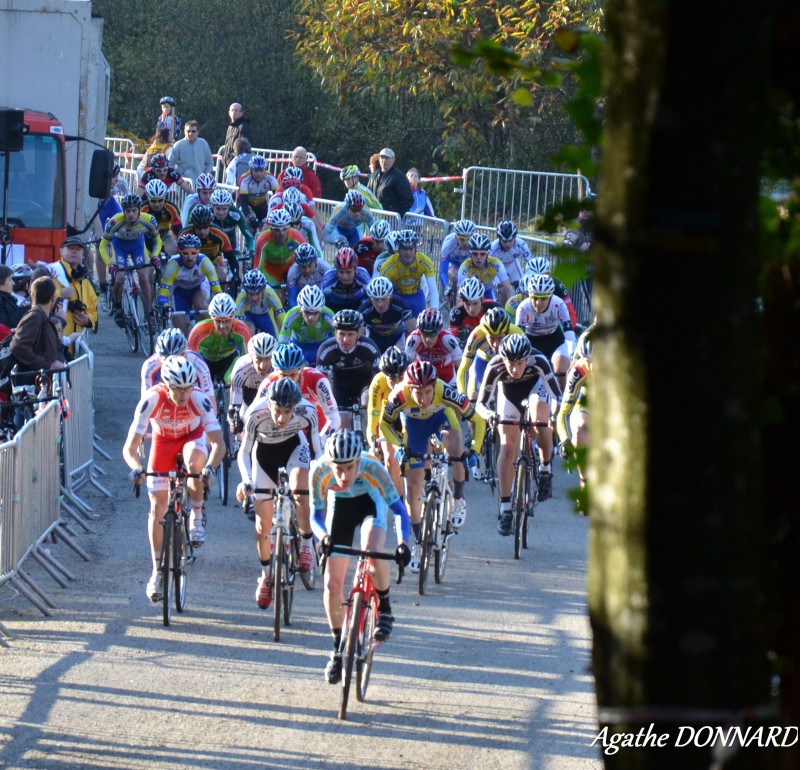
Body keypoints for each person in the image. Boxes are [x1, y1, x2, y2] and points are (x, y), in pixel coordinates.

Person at [311, 429, 412, 683]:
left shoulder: (374, 468)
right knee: (332, 584)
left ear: (359, 461)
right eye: (338, 469)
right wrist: (323, 538)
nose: (344, 476)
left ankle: (385, 610)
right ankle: (337, 650)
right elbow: (315, 516)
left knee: (372, 551)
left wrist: (402, 543)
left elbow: (400, 511)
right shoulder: (320, 471)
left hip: (370, 503)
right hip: (340, 509)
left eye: (350, 467)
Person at [124, 355, 225, 600]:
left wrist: (210, 468)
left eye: (187, 388)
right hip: (163, 441)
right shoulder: (152, 399)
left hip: (192, 438)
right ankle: (157, 572)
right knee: (158, 508)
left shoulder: (199, 400)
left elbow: (219, 444)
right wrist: (137, 466)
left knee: (193, 465)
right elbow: (129, 447)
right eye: (177, 389)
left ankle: (197, 516)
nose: (183, 395)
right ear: (166, 386)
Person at [380, 360, 485, 567]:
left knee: (456, 450)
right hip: (414, 427)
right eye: (418, 393)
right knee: (412, 486)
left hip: (441, 419)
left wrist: (474, 450)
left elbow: (478, 420)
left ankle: (458, 499)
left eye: (428, 392)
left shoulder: (444, 391)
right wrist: (399, 446)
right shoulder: (399, 395)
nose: (424, 398)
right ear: (409, 388)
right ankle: (419, 542)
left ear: (434, 386)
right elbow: (384, 424)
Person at [236, 376, 322, 608]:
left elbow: (317, 449)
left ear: (295, 407)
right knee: (263, 525)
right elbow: (243, 452)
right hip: (264, 456)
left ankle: (306, 545)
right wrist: (246, 481)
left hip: (295, 448)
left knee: (299, 490)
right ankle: (265, 577)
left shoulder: (307, 411)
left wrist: (318, 478)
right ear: (269, 403)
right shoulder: (255, 413)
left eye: (287, 412)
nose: (281, 418)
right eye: (277, 411)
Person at [475, 334, 562, 525]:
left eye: (520, 363)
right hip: (508, 394)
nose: (515, 369)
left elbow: (557, 395)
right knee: (507, 447)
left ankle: (545, 468)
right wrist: (490, 415)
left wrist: (554, 415)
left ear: (527, 359)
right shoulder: (495, 366)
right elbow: (480, 404)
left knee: (541, 419)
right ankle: (505, 508)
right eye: (510, 363)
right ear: (503, 359)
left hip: (535, 388)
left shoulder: (539, 360)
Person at [98, 194, 161, 327]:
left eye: (134, 211)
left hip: (138, 247)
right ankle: (118, 306)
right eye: (127, 211)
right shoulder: (115, 222)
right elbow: (103, 246)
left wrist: (155, 255)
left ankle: (149, 313)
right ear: (123, 211)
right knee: (120, 278)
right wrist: (110, 263)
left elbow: (157, 240)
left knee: (144, 278)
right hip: (119, 247)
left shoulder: (149, 220)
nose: (131, 214)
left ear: (139, 210)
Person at [257, 341, 340, 442]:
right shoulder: (268, 383)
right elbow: (255, 415)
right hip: (285, 433)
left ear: (301, 370)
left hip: (317, 430)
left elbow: (334, 418)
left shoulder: (317, 380)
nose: (288, 380)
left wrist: (320, 441)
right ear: (275, 371)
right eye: (283, 375)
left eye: (292, 375)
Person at [316, 309, 381, 427]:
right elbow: (321, 382)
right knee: (342, 422)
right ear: (335, 333)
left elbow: (381, 376)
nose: (345, 340)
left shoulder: (368, 346)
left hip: (365, 383)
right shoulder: (326, 349)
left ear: (358, 334)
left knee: (367, 410)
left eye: (350, 334)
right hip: (341, 387)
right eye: (341, 334)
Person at [514, 273, 576, 391]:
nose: (538, 303)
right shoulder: (523, 308)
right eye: (535, 297)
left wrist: (572, 355)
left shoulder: (559, 304)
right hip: (532, 342)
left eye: (543, 298)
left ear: (551, 296)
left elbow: (569, 333)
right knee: (530, 375)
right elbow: (519, 337)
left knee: (560, 371)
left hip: (555, 340)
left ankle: (562, 402)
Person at [157, 233, 222, 335]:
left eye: (193, 253)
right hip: (179, 291)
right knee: (181, 330)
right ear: (179, 252)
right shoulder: (173, 265)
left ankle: (205, 336)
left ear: (198, 252)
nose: (190, 257)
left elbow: (218, 291)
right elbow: (162, 294)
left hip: (198, 287)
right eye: (185, 253)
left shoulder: (205, 263)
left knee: (202, 307)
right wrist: (165, 305)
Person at [456, 306, 523, 403]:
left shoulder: (517, 333)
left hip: (508, 364)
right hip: (483, 362)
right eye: (491, 338)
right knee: (473, 397)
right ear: (485, 333)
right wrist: (462, 393)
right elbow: (463, 369)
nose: (495, 344)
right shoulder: (476, 335)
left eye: (500, 338)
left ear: (507, 332)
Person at [366, 346, 409, 496]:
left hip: (410, 416)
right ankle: (400, 504)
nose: (397, 383)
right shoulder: (378, 382)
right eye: (392, 379)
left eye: (400, 378)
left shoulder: (412, 379)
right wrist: (373, 443)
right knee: (391, 460)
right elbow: (373, 416)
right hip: (389, 418)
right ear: (384, 375)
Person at [556, 328, 593, 497]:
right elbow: (563, 413)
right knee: (579, 430)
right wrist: (565, 440)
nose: (592, 367)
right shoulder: (580, 370)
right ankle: (585, 482)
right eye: (588, 360)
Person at [187, 293, 251, 385]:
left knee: (237, 380)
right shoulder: (199, 331)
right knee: (201, 383)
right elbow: (190, 360)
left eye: (227, 321)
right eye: (218, 321)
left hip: (229, 360)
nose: (222, 326)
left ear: (233, 318)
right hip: (205, 361)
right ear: (212, 318)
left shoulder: (242, 329)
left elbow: (249, 359)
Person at [10, 276, 66, 373]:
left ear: (31, 295)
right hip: (35, 383)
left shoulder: (41, 317)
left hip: (43, 381)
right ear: (53, 298)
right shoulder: (34, 317)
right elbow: (18, 346)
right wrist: (46, 366)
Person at [377, 229, 438, 317]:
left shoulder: (425, 261)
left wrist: (434, 311)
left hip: (416, 297)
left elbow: (433, 289)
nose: (408, 252)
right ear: (399, 248)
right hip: (397, 297)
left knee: (419, 328)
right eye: (404, 249)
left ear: (416, 248)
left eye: (411, 248)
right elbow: (382, 291)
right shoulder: (388, 265)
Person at [141, 327, 214, 400]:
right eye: (167, 359)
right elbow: (146, 401)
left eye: (175, 359)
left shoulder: (197, 363)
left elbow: (210, 398)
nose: (171, 364)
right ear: (160, 357)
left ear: (185, 355)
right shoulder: (149, 366)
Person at [228, 332, 279, 432]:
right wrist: (234, 420)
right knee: (243, 429)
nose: (262, 366)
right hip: (248, 397)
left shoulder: (278, 367)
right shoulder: (241, 367)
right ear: (251, 356)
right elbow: (235, 401)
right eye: (258, 359)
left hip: (271, 399)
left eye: (267, 359)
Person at [50, 236, 98, 338]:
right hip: (53, 341)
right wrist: (60, 294)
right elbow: (36, 299)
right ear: (61, 251)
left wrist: (88, 320)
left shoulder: (85, 281)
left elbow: (93, 309)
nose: (74, 251)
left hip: (77, 344)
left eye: (78, 249)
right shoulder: (51, 272)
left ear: (82, 254)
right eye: (71, 248)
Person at [253, 207, 306, 295]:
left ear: (289, 227)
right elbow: (258, 267)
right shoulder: (263, 240)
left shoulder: (296, 235)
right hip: (271, 270)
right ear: (271, 229)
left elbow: (307, 255)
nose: (281, 233)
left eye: (284, 229)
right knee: (276, 295)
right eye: (277, 230)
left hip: (290, 266)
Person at [278, 284, 335, 365]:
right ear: (300, 309)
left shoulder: (328, 314)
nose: (311, 317)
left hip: (321, 347)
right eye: (307, 312)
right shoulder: (291, 315)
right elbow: (282, 344)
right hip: (299, 348)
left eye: (315, 313)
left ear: (321, 310)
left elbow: (337, 340)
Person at [405, 307, 462, 386]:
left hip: (447, 378)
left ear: (439, 331)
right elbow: (406, 367)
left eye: (432, 335)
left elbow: (461, 366)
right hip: (422, 379)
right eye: (424, 334)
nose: (428, 339)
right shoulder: (413, 339)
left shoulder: (447, 339)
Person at [359, 275, 414, 353]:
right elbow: (358, 336)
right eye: (376, 299)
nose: (380, 304)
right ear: (370, 299)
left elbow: (414, 330)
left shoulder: (399, 304)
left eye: (384, 299)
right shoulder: (365, 309)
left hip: (397, 337)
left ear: (390, 297)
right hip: (375, 338)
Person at [457, 232, 514, 306]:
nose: (478, 257)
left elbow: (508, 288)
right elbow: (459, 295)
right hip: (471, 297)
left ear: (487, 253)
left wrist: (513, 308)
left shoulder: (496, 263)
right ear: (470, 254)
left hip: (488, 292)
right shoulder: (464, 267)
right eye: (475, 254)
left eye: (482, 254)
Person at [447, 275, 500, 345]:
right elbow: (450, 340)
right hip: (468, 339)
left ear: (482, 299)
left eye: (475, 303)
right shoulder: (457, 313)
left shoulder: (494, 308)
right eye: (467, 304)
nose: (471, 309)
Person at [234, 269, 285, 337]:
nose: (254, 298)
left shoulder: (270, 293)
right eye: (251, 294)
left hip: (266, 315)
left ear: (263, 291)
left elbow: (282, 316)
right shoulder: (241, 298)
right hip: (249, 316)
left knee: (274, 341)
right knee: (246, 333)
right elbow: (237, 324)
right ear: (246, 292)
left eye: (258, 293)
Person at [321, 246, 371, 313]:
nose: (345, 277)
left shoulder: (363, 274)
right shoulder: (329, 277)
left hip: (357, 304)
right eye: (341, 272)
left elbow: (370, 299)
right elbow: (324, 305)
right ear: (336, 270)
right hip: (335, 306)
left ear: (355, 269)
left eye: (348, 272)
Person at [141, 179, 182, 257]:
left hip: (164, 236)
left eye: (160, 200)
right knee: (148, 265)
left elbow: (178, 229)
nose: (157, 204)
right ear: (148, 198)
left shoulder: (171, 207)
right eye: (153, 201)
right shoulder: (143, 209)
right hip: (147, 238)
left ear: (164, 198)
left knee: (174, 247)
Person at [238, 156, 279, 233]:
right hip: (247, 205)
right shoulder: (245, 179)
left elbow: (277, 197)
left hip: (261, 205)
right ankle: (249, 243)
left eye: (261, 170)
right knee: (251, 225)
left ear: (265, 170)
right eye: (256, 170)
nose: (259, 174)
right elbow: (244, 203)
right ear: (251, 170)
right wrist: (250, 218)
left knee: (265, 230)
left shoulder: (271, 178)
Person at [367, 148, 413, 216]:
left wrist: (397, 215)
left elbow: (407, 200)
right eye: (382, 157)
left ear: (393, 159)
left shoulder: (399, 177)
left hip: (391, 219)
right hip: (374, 217)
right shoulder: (373, 176)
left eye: (387, 158)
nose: (384, 160)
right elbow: (368, 194)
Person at [285, 243, 331, 308]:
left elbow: (331, 294)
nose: (307, 270)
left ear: (315, 261)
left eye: (309, 266)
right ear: (298, 264)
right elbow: (292, 298)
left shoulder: (325, 268)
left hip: (323, 298)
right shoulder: (293, 272)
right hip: (302, 301)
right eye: (303, 267)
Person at [168, 121, 213, 186]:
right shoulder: (178, 145)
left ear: (198, 132)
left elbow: (210, 162)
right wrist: (178, 178)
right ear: (184, 131)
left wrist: (205, 175)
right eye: (188, 131)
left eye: (193, 131)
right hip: (183, 185)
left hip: (200, 184)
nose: (190, 133)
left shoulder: (203, 143)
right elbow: (170, 164)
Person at [439, 219, 477, 298]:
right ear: (456, 237)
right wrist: (446, 286)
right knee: (455, 276)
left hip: (467, 263)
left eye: (468, 239)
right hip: (453, 262)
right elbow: (443, 271)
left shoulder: (476, 242)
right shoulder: (449, 242)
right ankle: (454, 304)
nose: (465, 243)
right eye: (462, 239)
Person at [489, 220, 532, 288]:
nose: (508, 244)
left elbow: (530, 263)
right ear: (499, 239)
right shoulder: (493, 248)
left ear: (515, 237)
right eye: (504, 241)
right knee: (497, 289)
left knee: (521, 286)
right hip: (497, 267)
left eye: (510, 240)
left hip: (513, 265)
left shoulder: (521, 244)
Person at [221, 103, 251, 168]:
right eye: (232, 110)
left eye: (236, 110)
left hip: (238, 164)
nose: (233, 112)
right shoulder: (230, 127)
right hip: (229, 164)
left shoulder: (244, 126)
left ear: (241, 113)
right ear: (229, 112)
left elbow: (243, 148)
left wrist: (232, 159)